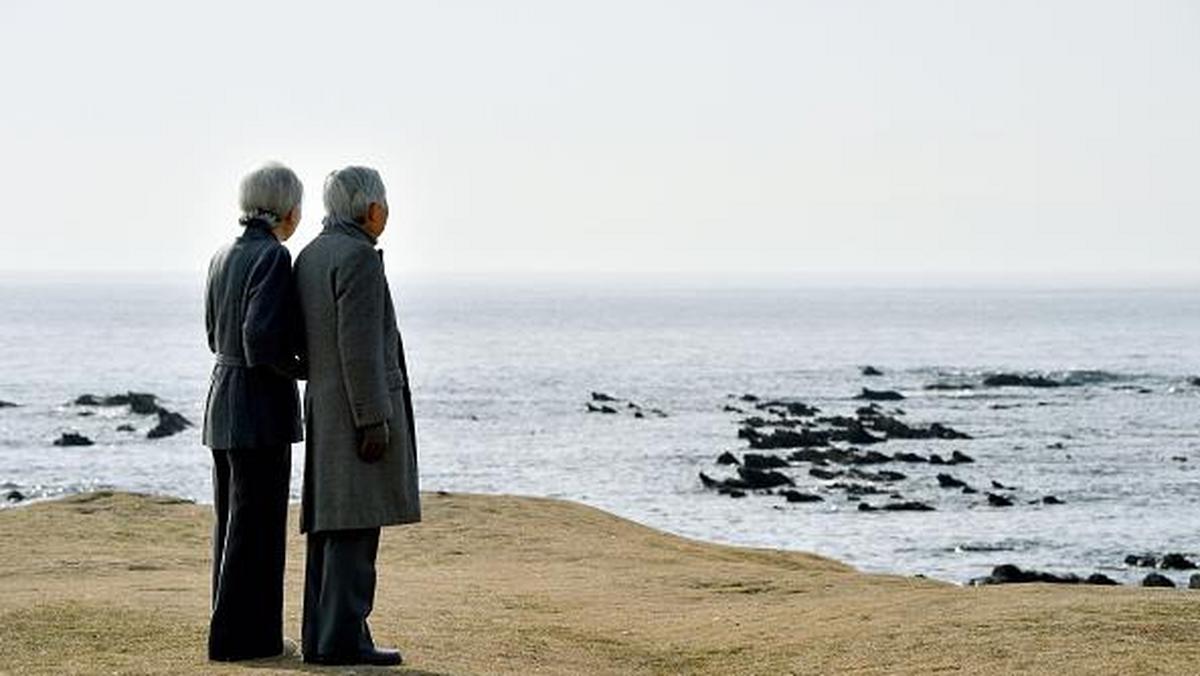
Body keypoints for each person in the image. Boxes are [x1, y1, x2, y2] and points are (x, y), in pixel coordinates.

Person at [294, 166, 420, 666]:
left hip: (323, 405)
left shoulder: (310, 255)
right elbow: (361, 349)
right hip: (354, 409)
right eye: (386, 204)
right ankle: (346, 638)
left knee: (329, 528)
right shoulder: (359, 259)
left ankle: (321, 636)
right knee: (357, 526)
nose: (388, 213)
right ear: (371, 209)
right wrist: (373, 418)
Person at [202, 162, 305, 661]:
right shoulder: (273, 257)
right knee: (259, 529)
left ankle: (238, 630)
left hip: (221, 398)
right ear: (287, 209)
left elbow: (211, 334)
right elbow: (262, 340)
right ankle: (243, 638)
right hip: (258, 407)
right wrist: (305, 368)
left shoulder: (222, 255)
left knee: (231, 524)